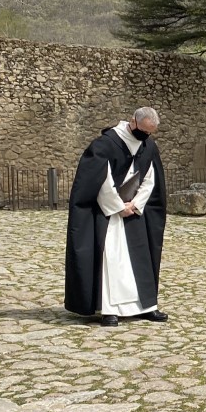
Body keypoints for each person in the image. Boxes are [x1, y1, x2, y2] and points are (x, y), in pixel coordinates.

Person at [65, 107, 169, 327]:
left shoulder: (148, 145)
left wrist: (136, 204)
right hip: (109, 212)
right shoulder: (106, 144)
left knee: (140, 260)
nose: (146, 137)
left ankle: (145, 306)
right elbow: (100, 179)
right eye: (143, 131)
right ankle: (110, 309)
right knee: (112, 260)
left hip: (133, 210)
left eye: (151, 133)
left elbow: (150, 178)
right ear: (133, 121)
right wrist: (117, 206)